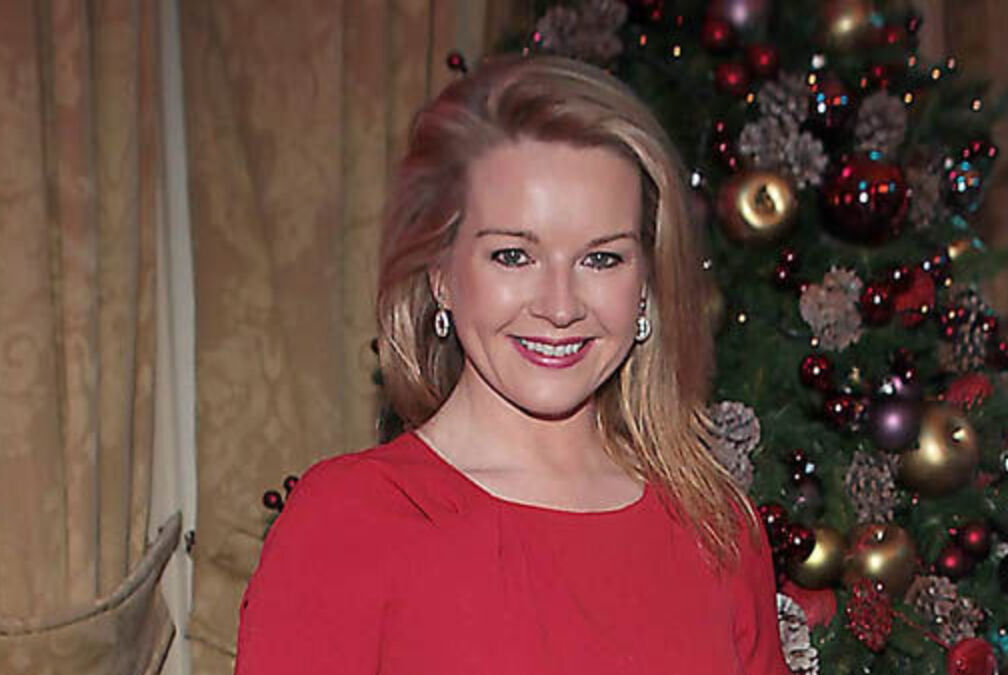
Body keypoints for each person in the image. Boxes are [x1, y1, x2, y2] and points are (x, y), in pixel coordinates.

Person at [234, 54, 791, 675]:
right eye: (513, 256)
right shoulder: (348, 522)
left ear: (646, 285)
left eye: (601, 259)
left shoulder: (715, 529)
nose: (560, 306)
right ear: (441, 274)